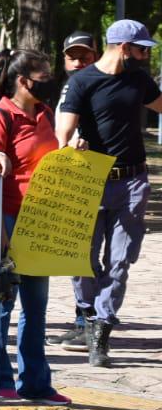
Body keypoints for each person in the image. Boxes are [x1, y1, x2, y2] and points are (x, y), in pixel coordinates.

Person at [56, 19, 162, 368]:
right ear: (122, 47)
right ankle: (87, 317)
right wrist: (72, 141)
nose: (146, 55)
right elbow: (64, 132)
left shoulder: (140, 80)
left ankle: (101, 332)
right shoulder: (82, 81)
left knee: (119, 262)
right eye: (141, 49)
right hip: (89, 179)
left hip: (132, 181)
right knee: (82, 259)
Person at [0, 49, 70, 404]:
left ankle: (36, 382)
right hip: (6, 218)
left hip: (40, 220)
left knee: (37, 305)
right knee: (3, 302)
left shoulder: (45, 113)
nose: (49, 80)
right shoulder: (0, 118)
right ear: (22, 81)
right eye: (43, 75)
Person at [47, 30, 102, 350]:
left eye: (85, 55)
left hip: (98, 179)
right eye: (72, 56)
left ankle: (93, 322)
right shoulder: (68, 87)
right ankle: (85, 320)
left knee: (91, 257)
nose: (79, 61)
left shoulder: (102, 83)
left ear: (97, 54)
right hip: (71, 179)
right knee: (78, 255)